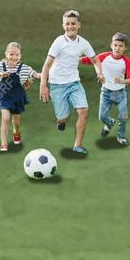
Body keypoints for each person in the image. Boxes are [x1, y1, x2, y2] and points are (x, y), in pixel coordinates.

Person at [39, 9, 98, 156]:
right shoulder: (59, 42)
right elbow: (47, 65)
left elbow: (95, 60)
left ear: (79, 25)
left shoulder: (83, 43)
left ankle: (78, 145)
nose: (70, 26)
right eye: (67, 24)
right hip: (57, 84)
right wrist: (43, 86)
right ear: (63, 25)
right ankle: (61, 121)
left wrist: (100, 73)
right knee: (63, 117)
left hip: (74, 83)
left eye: (73, 23)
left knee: (83, 111)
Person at [0, 42, 38, 152]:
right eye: (11, 54)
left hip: (17, 96)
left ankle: (16, 132)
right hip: (4, 95)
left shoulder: (25, 68)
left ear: (20, 56)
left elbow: (36, 75)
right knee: (5, 118)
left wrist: (45, 74)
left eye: (17, 55)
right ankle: (4, 144)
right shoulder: (0, 65)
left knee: (16, 122)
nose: (14, 57)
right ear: (6, 54)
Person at [94, 32, 130, 147]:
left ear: (125, 48)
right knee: (102, 117)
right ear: (111, 45)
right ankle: (109, 123)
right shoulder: (104, 57)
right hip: (106, 92)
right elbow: (91, 60)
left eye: (121, 46)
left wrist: (122, 81)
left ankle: (121, 137)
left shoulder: (126, 61)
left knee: (123, 116)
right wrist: (74, 60)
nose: (117, 48)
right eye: (115, 45)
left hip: (120, 93)